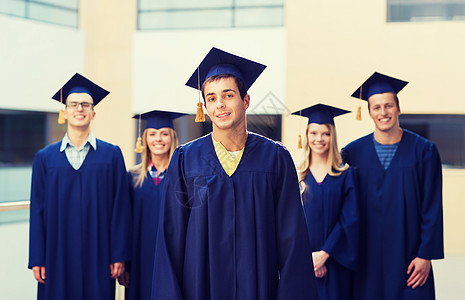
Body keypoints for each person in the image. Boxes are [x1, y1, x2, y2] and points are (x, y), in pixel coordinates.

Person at [152, 47, 318, 300]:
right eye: (211, 98)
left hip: (259, 288)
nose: (219, 104)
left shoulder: (275, 158)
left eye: (228, 95)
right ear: (205, 106)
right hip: (200, 288)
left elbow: (292, 239)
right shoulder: (186, 159)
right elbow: (171, 238)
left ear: (246, 100)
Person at [28, 73, 131, 300]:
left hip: (100, 252)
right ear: (64, 112)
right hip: (56, 252)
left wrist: (118, 254)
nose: (79, 109)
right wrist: (37, 257)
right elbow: (37, 210)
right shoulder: (45, 158)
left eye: (86, 104)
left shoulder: (111, 155)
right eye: (73, 104)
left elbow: (120, 208)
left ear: (94, 112)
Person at [342, 72, 444, 300]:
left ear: (398, 108)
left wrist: (425, 255)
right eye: (376, 107)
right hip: (366, 259)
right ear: (368, 112)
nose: (383, 112)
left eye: (388, 106)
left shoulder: (424, 152)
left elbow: (432, 206)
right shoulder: (352, 153)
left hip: (411, 259)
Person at [118, 110, 186, 299]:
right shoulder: (132, 178)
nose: (158, 139)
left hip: (172, 257)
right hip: (139, 258)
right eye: (152, 134)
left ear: (172, 138)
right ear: (145, 139)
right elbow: (125, 223)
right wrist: (125, 262)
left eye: (164, 133)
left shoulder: (183, 178)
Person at [293, 104, 359, 300]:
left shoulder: (345, 174)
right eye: (313, 133)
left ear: (333, 137)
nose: (319, 139)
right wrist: (308, 258)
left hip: (336, 264)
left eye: (325, 133)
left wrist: (324, 254)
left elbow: (350, 219)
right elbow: (289, 222)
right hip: (302, 264)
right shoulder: (296, 175)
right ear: (306, 136)